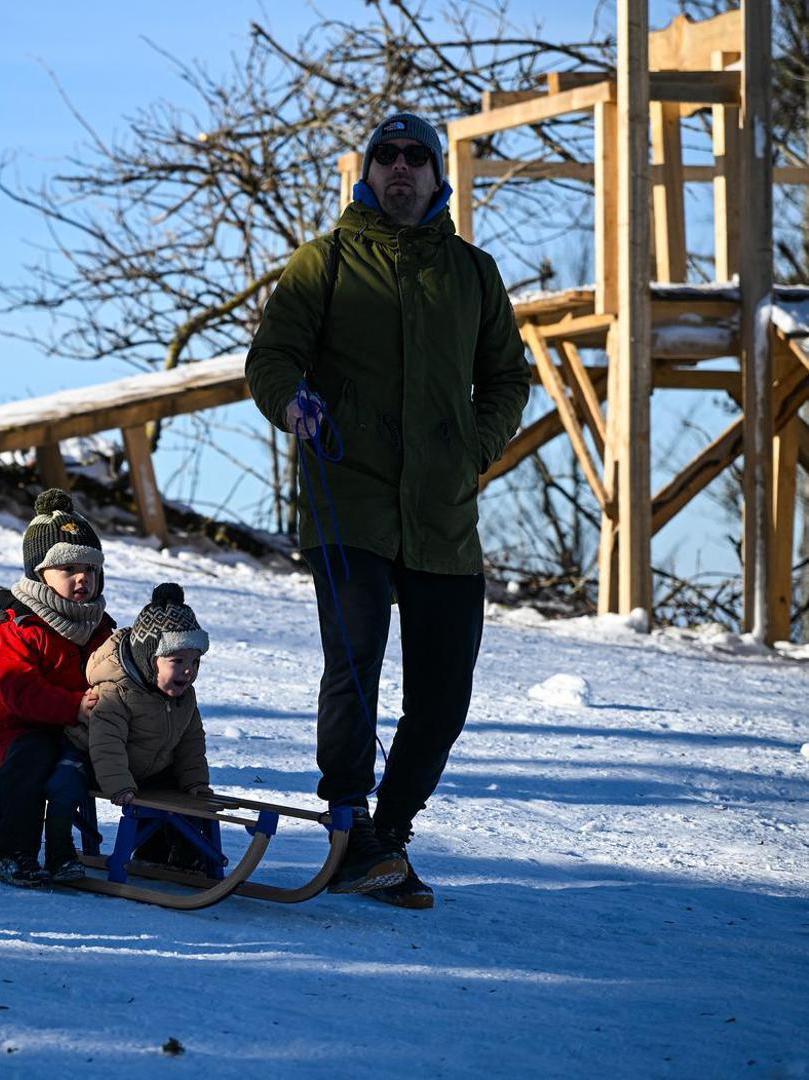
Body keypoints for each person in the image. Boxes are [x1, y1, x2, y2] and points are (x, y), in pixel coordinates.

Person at [244, 112, 530, 908]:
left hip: (442, 514)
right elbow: (272, 356)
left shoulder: (473, 273)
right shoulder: (326, 261)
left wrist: (472, 448)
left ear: (438, 176)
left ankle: (390, 834)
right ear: (366, 174)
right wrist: (291, 401)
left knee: (443, 695)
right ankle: (351, 827)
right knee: (355, 665)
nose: (400, 167)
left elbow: (507, 377)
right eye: (385, 156)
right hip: (351, 498)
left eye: (415, 157)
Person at [0, 489, 114, 887]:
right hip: (24, 730)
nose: (82, 578)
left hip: (81, 732)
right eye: (68, 568)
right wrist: (73, 706)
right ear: (39, 573)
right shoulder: (19, 625)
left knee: (146, 753)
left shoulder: (100, 627)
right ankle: (11, 851)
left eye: (90, 569)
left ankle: (166, 849)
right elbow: (16, 688)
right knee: (33, 762)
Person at [46, 583, 213, 881]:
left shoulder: (185, 697)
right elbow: (106, 744)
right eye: (177, 661)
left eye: (194, 661)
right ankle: (59, 853)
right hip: (90, 760)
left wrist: (195, 782)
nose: (188, 670)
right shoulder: (116, 691)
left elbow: (191, 742)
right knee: (65, 786)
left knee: (180, 794)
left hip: (141, 766)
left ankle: (174, 856)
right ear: (149, 660)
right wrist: (120, 786)